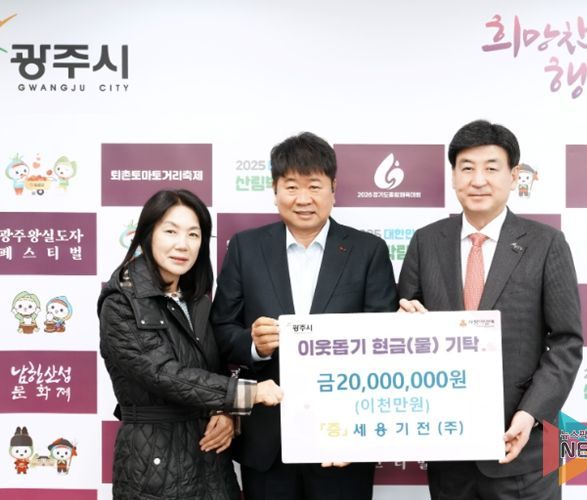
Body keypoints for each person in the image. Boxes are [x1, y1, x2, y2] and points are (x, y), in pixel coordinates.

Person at [398, 120, 583, 499]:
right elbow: (401, 324)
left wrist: (530, 413)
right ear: (453, 176)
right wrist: (402, 326)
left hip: (523, 449)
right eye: (467, 168)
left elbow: (566, 343)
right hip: (448, 450)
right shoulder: (426, 242)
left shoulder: (546, 243)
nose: (478, 180)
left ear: (513, 176)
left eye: (491, 168)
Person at [211, 132, 398, 500]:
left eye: (314, 186)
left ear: (333, 189)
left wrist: (355, 428)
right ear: (275, 190)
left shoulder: (368, 251)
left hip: (343, 440)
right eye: (291, 186)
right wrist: (254, 345)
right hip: (268, 440)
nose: (303, 198)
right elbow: (220, 329)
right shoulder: (246, 248)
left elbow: (383, 343)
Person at [98, 189, 283, 500]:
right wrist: (246, 394)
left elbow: (213, 368)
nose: (183, 244)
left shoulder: (196, 299)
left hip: (211, 461)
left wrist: (227, 413)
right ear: (148, 234)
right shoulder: (120, 302)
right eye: (171, 231)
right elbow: (162, 374)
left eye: (193, 234)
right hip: (153, 467)